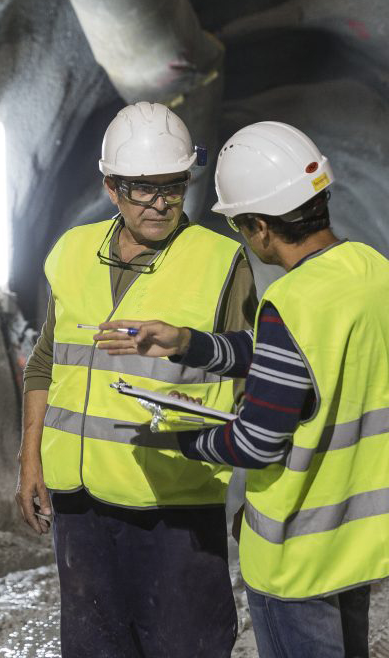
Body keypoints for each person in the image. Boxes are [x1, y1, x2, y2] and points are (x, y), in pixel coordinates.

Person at [96, 120, 389, 658]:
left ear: (259, 225)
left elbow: (257, 443)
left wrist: (182, 437)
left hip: (296, 555)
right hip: (362, 543)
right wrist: (188, 343)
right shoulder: (373, 271)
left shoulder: (292, 301)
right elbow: (304, 364)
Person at [17, 101, 258, 658]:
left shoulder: (222, 262)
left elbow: (252, 369)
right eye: (141, 189)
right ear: (110, 187)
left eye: (173, 186)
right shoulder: (71, 252)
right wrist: (31, 457)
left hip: (175, 507)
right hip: (80, 509)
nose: (160, 203)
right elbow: (44, 363)